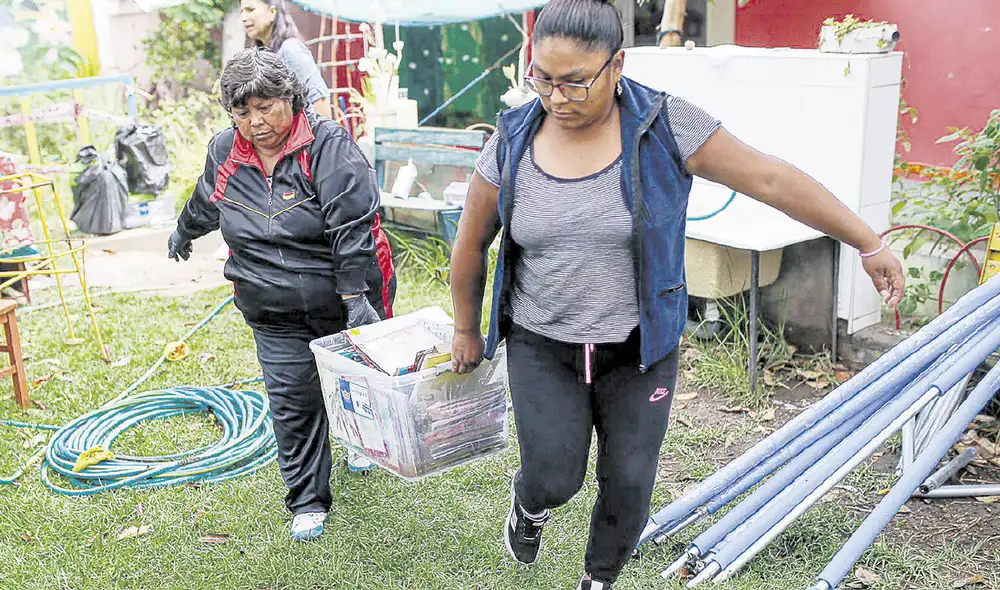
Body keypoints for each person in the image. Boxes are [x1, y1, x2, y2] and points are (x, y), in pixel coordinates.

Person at [448, 0, 906, 588]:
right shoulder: (512, 140)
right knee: (554, 473)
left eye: (575, 82)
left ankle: (600, 577)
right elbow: (471, 242)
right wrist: (466, 327)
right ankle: (530, 504)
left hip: (642, 343)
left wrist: (867, 242)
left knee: (630, 479)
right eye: (543, 78)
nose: (556, 98)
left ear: (617, 66)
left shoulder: (664, 125)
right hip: (544, 342)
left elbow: (768, 177)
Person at [168, 47, 396, 542]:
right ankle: (308, 500)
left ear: (291, 99)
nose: (257, 121)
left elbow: (352, 226)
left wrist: (356, 295)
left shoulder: (328, 146)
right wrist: (184, 231)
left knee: (352, 382)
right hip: (271, 307)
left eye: (267, 106)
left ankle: (359, 442)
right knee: (292, 399)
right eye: (243, 111)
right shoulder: (226, 149)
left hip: (341, 294)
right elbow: (211, 197)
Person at [240, 0, 333, 119]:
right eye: (241, 12)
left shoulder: (291, 50)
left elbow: (320, 102)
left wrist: (320, 137)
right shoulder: (261, 56)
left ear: (272, 12)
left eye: (250, 10)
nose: (243, 17)